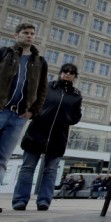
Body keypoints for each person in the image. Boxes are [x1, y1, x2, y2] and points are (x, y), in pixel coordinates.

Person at [11, 63, 81, 211]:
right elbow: (33, 103)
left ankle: (44, 201)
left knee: (50, 171)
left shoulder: (76, 95)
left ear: (75, 76)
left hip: (58, 136)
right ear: (60, 72)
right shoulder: (47, 87)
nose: (67, 74)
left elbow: (76, 115)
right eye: (65, 71)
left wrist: (67, 119)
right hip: (37, 132)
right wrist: (38, 115)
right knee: (27, 168)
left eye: (71, 72)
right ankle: (20, 200)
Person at [0, 23, 48, 186]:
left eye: (32, 34)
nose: (29, 36)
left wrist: (32, 111)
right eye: (25, 33)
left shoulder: (40, 62)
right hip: (1, 110)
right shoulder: (4, 53)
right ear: (16, 35)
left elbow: (42, 89)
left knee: (3, 157)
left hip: (19, 116)